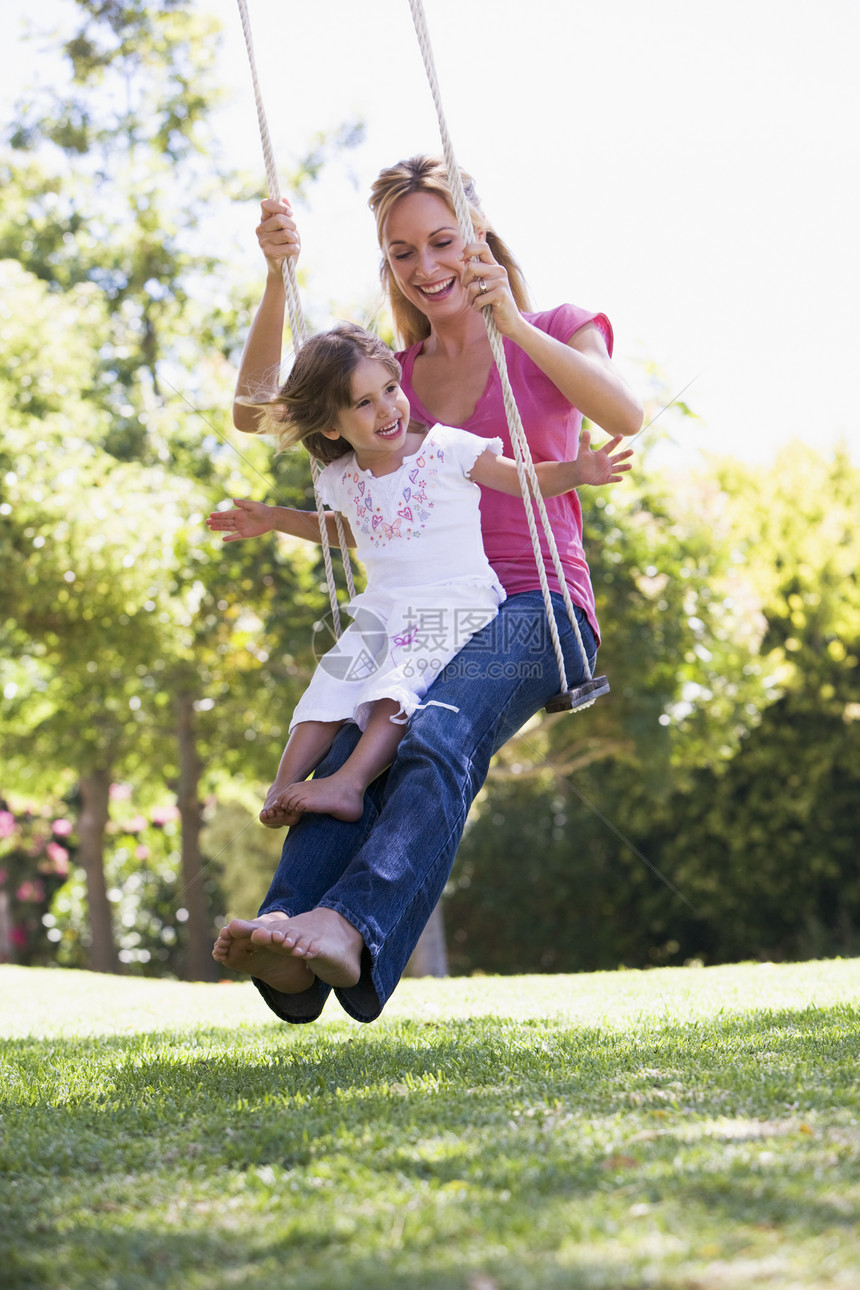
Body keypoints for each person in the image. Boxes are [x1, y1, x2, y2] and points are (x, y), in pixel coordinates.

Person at [213, 156, 643, 1024]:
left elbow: (625, 413)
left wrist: (511, 323)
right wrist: (274, 278)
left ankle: (350, 924)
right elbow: (256, 412)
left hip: (537, 609)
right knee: (344, 756)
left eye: (443, 241)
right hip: (422, 615)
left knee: (434, 735)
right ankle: (288, 932)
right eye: (401, 252)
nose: (426, 266)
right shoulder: (391, 379)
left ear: (478, 239)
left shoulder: (555, 326)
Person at [208, 322, 630, 831]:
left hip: (454, 599)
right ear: (331, 428)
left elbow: (524, 480)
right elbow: (350, 530)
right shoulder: (341, 476)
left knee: (397, 680)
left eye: (390, 388)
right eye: (364, 403)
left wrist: (576, 472)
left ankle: (350, 781)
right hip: (385, 606)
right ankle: (281, 788)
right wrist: (276, 518)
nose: (387, 408)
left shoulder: (446, 448)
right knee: (332, 683)